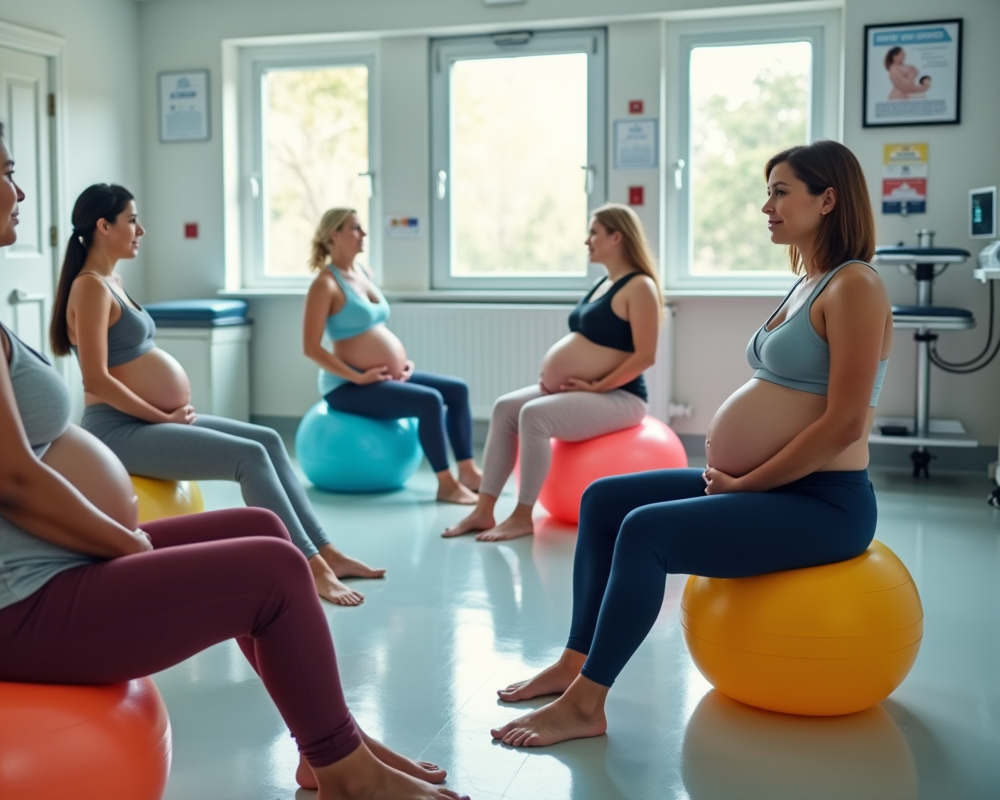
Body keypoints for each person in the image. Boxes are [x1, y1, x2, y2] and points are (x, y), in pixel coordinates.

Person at [0, 101, 465, 800]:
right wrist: (126, 545)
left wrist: (118, 539)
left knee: (260, 527)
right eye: (7, 172)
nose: (21, 191)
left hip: (8, 570)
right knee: (276, 571)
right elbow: (9, 480)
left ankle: (329, 745)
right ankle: (348, 775)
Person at [490, 139, 891, 747]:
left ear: (828, 199)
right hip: (767, 486)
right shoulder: (811, 281)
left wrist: (745, 483)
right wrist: (736, 475)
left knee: (645, 531)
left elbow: (845, 424)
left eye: (781, 192)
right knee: (602, 502)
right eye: (768, 193)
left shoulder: (855, 285)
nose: (766, 207)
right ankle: (574, 662)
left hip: (824, 503)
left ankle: (587, 705)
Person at [50, 185, 382, 607]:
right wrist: (160, 417)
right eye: (132, 220)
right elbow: (95, 379)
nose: (141, 230)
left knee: (269, 440)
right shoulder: (90, 287)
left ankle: (327, 551)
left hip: (148, 421)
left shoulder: (113, 281)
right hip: (118, 430)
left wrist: (162, 415)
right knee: (249, 458)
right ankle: (312, 568)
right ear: (103, 226)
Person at [443, 204, 661, 542]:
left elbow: (645, 356)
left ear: (616, 237)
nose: (587, 241)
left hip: (622, 397)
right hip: (587, 390)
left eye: (594, 233)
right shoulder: (604, 283)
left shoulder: (640, 287)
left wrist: (597, 386)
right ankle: (484, 510)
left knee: (534, 415)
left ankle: (521, 516)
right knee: (504, 407)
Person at [303, 208, 481, 504]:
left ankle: (468, 472)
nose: (363, 234)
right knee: (430, 401)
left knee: (457, 390)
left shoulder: (363, 273)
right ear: (334, 234)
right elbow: (311, 348)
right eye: (356, 228)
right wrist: (359, 377)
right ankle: (446, 484)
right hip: (346, 387)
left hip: (381, 376)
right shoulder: (325, 284)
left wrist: (399, 362)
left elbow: (372, 328)